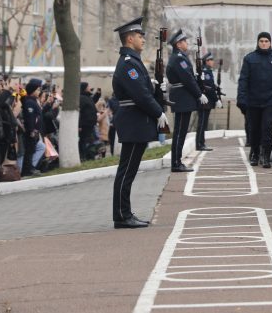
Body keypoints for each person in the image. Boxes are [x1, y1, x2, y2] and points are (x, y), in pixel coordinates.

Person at [111, 16, 168, 229]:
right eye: (139, 36)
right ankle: (121, 215)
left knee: (129, 171)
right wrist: (157, 111)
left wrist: (157, 89)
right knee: (126, 171)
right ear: (129, 39)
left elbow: (145, 90)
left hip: (136, 121)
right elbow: (140, 95)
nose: (143, 39)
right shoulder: (128, 64)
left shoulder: (133, 61)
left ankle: (124, 213)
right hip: (134, 121)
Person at [237, 32, 272, 168]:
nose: (264, 43)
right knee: (254, 128)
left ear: (270, 42)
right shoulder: (249, 58)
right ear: (258, 42)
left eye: (266, 41)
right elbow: (243, 80)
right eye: (261, 41)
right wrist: (241, 99)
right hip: (254, 100)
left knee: (267, 127)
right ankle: (255, 152)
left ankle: (266, 155)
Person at [166, 29, 207, 172]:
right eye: (184, 41)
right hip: (182, 98)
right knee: (179, 132)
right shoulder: (179, 58)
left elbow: (189, 76)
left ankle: (177, 162)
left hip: (183, 97)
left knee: (181, 131)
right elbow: (187, 79)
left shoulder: (180, 57)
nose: (186, 43)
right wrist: (198, 94)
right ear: (178, 44)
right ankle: (176, 163)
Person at [195, 52, 219, 152]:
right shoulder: (206, 72)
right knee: (202, 123)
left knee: (203, 123)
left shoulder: (206, 71)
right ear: (207, 61)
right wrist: (216, 99)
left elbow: (210, 86)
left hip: (206, 102)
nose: (213, 62)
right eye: (211, 60)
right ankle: (200, 144)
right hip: (205, 102)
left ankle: (201, 143)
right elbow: (208, 88)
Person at [20, 78, 44, 176]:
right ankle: (27, 170)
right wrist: (32, 130)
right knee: (29, 151)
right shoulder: (29, 102)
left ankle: (30, 168)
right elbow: (30, 118)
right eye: (37, 90)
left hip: (35, 131)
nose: (39, 92)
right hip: (31, 131)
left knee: (33, 149)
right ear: (33, 90)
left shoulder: (33, 101)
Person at [79, 81, 99, 160]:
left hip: (90, 123)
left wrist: (97, 94)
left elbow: (92, 101)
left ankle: (89, 155)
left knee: (90, 140)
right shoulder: (81, 98)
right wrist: (79, 125)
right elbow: (79, 112)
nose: (89, 87)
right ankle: (83, 156)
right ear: (84, 88)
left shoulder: (87, 97)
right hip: (85, 124)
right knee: (84, 140)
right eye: (88, 86)